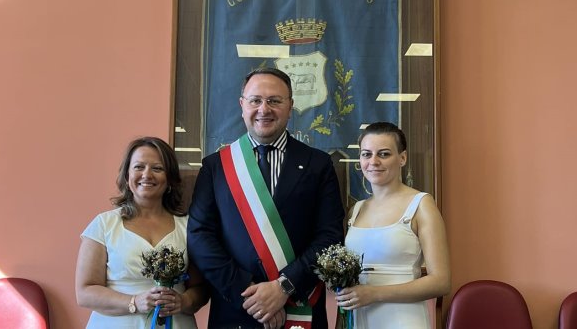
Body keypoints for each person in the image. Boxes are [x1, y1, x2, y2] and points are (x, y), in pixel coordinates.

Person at [188, 68, 344, 329]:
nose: (264, 109)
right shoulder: (216, 167)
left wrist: (284, 287)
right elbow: (200, 236)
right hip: (235, 311)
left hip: (300, 308)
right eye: (255, 100)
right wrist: (249, 293)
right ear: (242, 105)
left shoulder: (318, 164)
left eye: (274, 100)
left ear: (290, 106)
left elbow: (329, 236)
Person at [76, 136, 209, 328]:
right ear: (127, 176)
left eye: (157, 168)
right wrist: (134, 302)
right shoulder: (104, 224)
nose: (147, 175)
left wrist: (184, 301)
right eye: (139, 167)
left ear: (170, 178)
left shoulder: (188, 227)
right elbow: (85, 292)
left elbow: (201, 288)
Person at [336, 122, 451, 328]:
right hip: (360, 318)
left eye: (384, 154)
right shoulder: (357, 209)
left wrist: (375, 294)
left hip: (403, 319)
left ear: (402, 158)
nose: (373, 161)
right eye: (366, 154)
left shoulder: (421, 204)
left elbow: (441, 281)